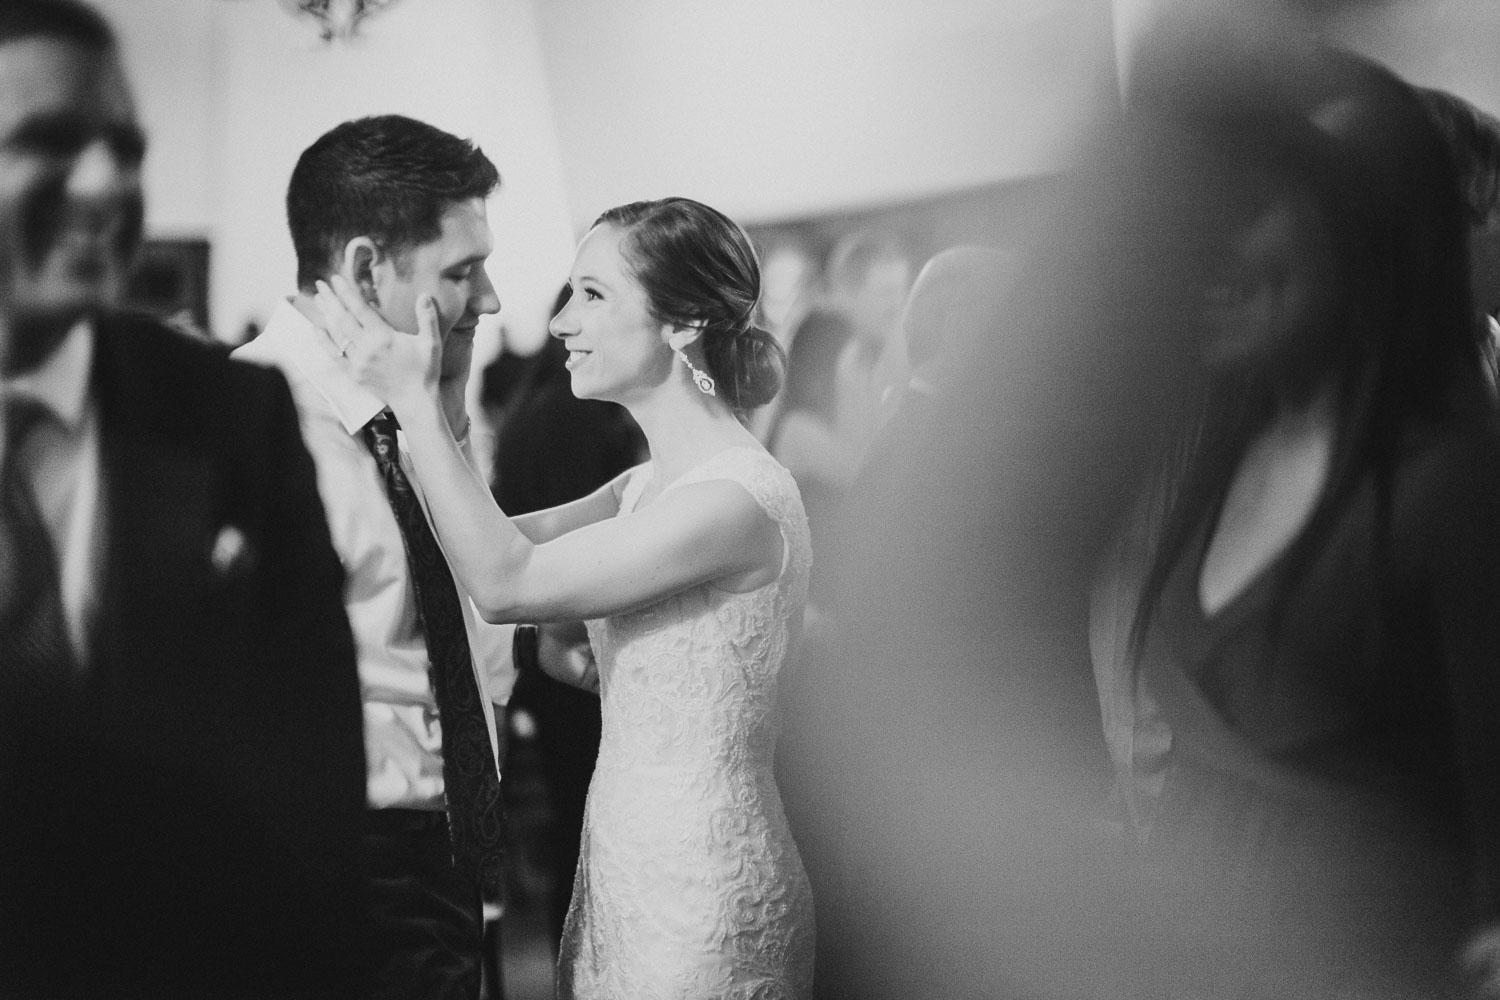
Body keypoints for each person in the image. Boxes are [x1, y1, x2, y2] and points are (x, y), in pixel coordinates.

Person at [316, 195, 816, 999]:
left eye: (592, 295)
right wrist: (443, 388)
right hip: (627, 855)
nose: (558, 323)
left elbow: (504, 582)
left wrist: (414, 402)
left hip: (705, 881)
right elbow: (475, 541)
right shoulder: (646, 485)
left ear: (681, 322)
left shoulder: (737, 500)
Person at [1092, 45, 1500, 998]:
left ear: (1375, 228)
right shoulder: (1210, 456)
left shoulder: (1452, 480)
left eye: (1250, 208)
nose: (1204, 250)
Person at [0, 2, 368, 998]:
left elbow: (316, 782)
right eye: (49, 141)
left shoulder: (229, 415)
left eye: (125, 147)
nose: (108, 184)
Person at [233, 114, 515, 1000]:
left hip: (448, 848)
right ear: (364, 269)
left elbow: (480, 638)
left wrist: (452, 418)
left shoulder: (420, 417)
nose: (494, 300)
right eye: (463, 272)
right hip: (339, 868)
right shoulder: (246, 425)